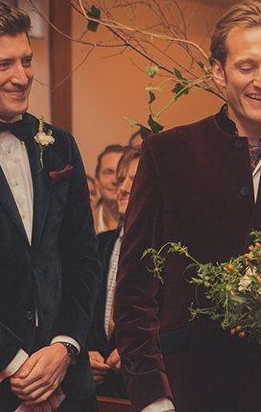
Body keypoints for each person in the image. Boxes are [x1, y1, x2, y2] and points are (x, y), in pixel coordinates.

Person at [113, 0, 261, 412]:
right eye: (246, 67)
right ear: (218, 71)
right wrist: (152, 395)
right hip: (188, 392)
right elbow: (135, 291)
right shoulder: (166, 154)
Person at [0, 0, 100, 410]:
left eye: (27, 61)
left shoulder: (59, 144)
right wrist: (15, 365)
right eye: (4, 65)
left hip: (68, 385)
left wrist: (64, 348)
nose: (22, 77)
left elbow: (83, 258)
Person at [87, 148, 141, 399]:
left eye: (135, 180)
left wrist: (139, 350)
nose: (123, 188)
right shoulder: (100, 245)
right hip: (98, 390)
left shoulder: (168, 250)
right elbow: (83, 308)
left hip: (143, 388)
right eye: (121, 180)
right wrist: (81, 354)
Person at [94, 144, 125, 233]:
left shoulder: (144, 221)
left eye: (121, 172)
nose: (115, 180)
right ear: (97, 181)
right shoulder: (84, 222)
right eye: (108, 173)